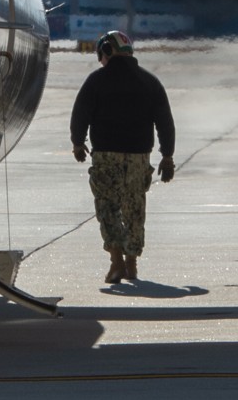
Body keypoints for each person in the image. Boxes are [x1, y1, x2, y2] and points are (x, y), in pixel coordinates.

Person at [70, 29, 175, 284]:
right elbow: (165, 122)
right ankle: (132, 264)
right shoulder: (149, 82)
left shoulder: (96, 81)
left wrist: (77, 143)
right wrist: (167, 156)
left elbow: (80, 113)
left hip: (106, 157)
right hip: (139, 157)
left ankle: (116, 263)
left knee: (107, 208)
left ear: (107, 51)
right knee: (135, 209)